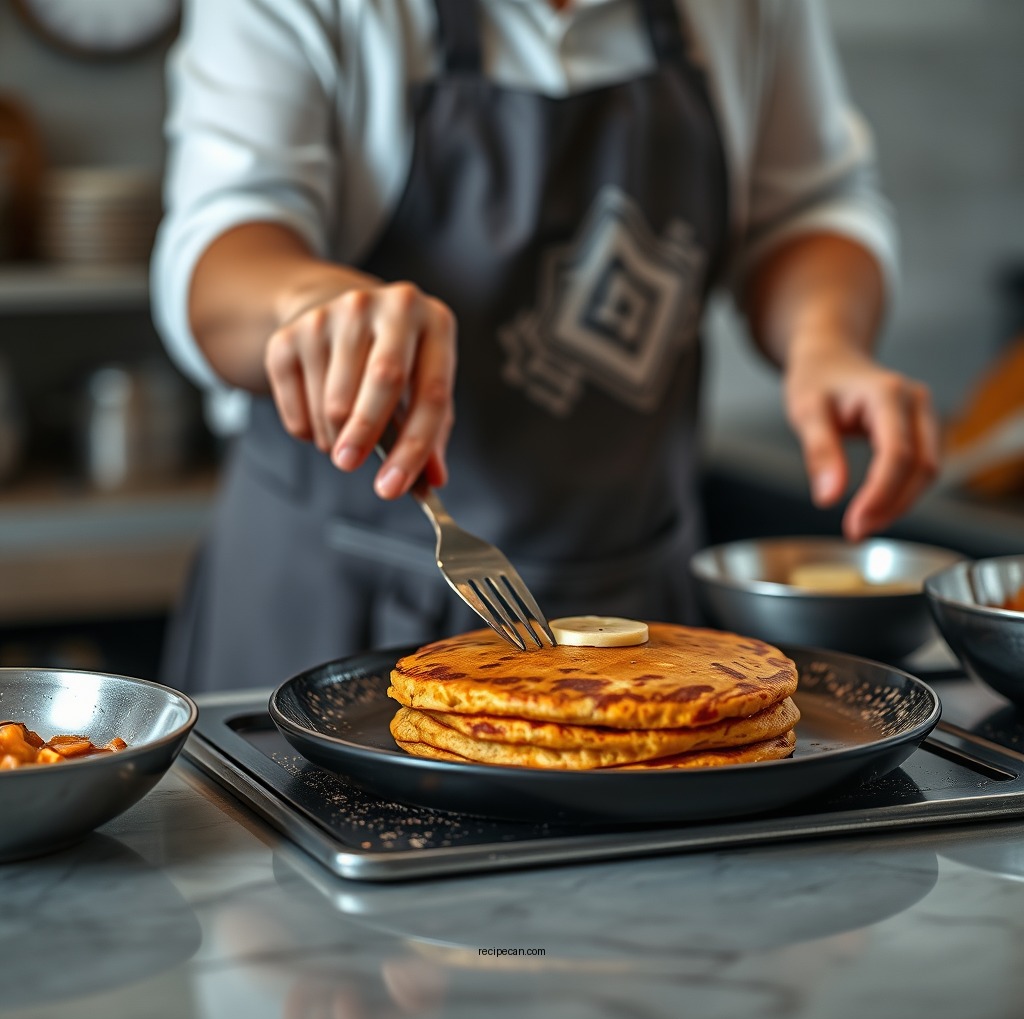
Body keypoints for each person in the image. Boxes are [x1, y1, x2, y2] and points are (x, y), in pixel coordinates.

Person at [151, 0, 939, 694]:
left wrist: (824, 340)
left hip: (635, 608)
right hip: (329, 610)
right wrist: (308, 301)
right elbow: (221, 250)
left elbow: (806, 206)